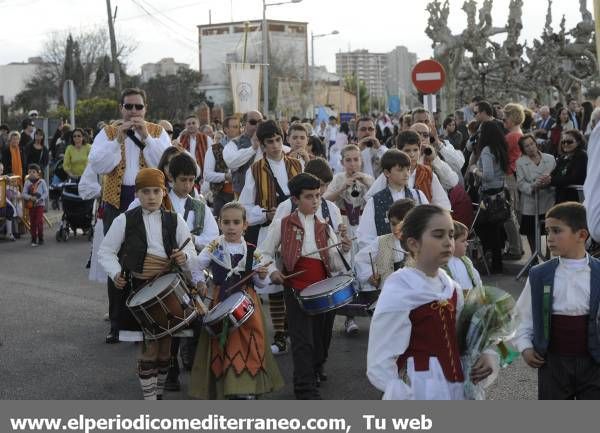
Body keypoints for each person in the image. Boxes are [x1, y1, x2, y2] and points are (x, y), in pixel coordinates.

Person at [367, 205, 496, 400]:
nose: (448, 242)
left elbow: (467, 332)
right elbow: (381, 358)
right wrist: (401, 392)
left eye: (451, 235)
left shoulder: (450, 286)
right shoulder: (401, 288)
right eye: (438, 235)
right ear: (414, 244)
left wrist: (484, 353)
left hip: (456, 384)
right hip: (420, 388)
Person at [98, 168, 198, 400]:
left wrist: (185, 258)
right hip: (139, 290)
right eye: (145, 192)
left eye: (156, 191)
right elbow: (106, 252)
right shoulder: (125, 220)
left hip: (169, 291)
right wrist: (115, 273)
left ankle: (158, 393)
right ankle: (150, 400)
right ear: (137, 194)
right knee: (148, 350)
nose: (151, 196)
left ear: (164, 192)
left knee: (165, 351)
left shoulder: (175, 220)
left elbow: (190, 250)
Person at [88, 87, 171, 344]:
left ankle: (148, 320)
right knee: (117, 261)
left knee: (149, 258)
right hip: (117, 200)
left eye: (138, 107)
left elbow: (166, 164)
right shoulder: (109, 132)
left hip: (150, 201)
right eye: (129, 106)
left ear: (145, 109)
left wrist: (146, 137)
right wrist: (118, 142)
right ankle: (117, 323)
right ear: (121, 108)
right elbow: (98, 164)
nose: (133, 111)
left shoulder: (157, 132)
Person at [259, 173, 352, 399]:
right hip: (296, 288)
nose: (316, 201)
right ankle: (304, 387)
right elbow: (263, 252)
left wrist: (345, 248)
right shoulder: (283, 224)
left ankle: (316, 367)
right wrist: (273, 272)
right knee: (303, 340)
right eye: (309, 197)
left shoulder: (325, 227)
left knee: (322, 338)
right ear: (296, 199)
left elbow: (337, 264)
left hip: (324, 288)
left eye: (318, 196)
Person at [188, 202, 284, 399]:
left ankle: (245, 387)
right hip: (221, 300)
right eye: (226, 222)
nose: (231, 227)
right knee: (222, 343)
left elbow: (260, 283)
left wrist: (263, 275)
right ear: (219, 223)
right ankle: (228, 387)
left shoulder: (252, 251)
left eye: (236, 222)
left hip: (248, 303)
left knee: (249, 343)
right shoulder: (214, 246)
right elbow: (197, 265)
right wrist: (200, 283)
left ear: (245, 225)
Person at [512, 202, 600, 399]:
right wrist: (525, 346)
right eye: (548, 231)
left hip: (594, 363)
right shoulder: (539, 273)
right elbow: (522, 316)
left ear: (582, 235)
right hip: (553, 364)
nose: (549, 238)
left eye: (557, 231)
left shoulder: (598, 272)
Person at [239, 120, 302, 354]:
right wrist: (266, 213)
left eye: (277, 140)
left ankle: (296, 330)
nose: (275, 146)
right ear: (262, 144)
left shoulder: (297, 164)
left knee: (296, 279)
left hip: (297, 230)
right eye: (269, 142)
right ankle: (280, 333)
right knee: (275, 285)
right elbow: (244, 207)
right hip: (269, 231)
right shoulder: (255, 170)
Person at [357, 149, 427, 250]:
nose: (406, 174)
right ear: (387, 172)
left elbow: (427, 225)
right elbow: (365, 237)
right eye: (400, 170)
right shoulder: (375, 201)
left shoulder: (418, 195)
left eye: (408, 169)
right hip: (386, 259)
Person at [369, 130, 450, 209]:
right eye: (407, 150)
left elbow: (443, 203)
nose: (412, 154)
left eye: (415, 150)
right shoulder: (391, 173)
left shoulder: (427, 173)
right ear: (399, 151)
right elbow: (372, 198)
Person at [471, 121, 510, 274]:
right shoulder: (500, 148)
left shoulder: (487, 150)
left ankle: (493, 262)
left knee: (483, 227)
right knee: (496, 228)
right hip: (500, 192)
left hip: (488, 194)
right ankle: (496, 262)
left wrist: (474, 170)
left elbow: (487, 175)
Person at [355, 199, 415, 291]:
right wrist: (370, 276)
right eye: (393, 224)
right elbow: (360, 260)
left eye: (401, 225)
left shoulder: (421, 243)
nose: (395, 229)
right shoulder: (381, 241)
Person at [515, 134, 556, 257]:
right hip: (530, 201)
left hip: (548, 199)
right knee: (531, 230)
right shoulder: (520, 162)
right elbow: (520, 183)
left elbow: (556, 177)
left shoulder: (550, 158)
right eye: (526, 146)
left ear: (536, 144)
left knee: (550, 228)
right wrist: (533, 186)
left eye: (532, 144)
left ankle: (549, 255)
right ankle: (534, 256)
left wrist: (549, 181)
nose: (530, 148)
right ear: (523, 149)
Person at [324, 144, 374, 243]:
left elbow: (378, 199)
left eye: (356, 159)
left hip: (364, 221)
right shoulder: (337, 178)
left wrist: (366, 183)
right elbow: (325, 200)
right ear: (342, 162)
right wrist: (341, 189)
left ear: (361, 161)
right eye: (348, 160)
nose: (352, 164)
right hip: (343, 221)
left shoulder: (369, 178)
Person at [502, 103, 525, 260]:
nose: (504, 120)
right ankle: (518, 247)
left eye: (506, 117)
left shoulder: (512, 136)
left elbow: (501, 154)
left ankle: (516, 248)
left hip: (510, 175)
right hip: (515, 174)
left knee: (510, 213)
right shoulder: (518, 133)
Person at [223, 110, 264, 197]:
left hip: (265, 191)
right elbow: (232, 163)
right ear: (244, 123)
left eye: (260, 122)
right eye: (253, 122)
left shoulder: (269, 141)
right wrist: (253, 148)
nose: (257, 125)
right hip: (243, 194)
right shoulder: (234, 143)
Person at [204, 116, 237, 217]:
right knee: (221, 227)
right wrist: (226, 176)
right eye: (235, 127)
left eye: (239, 126)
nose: (239, 129)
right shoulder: (214, 149)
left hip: (243, 195)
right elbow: (207, 175)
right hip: (222, 196)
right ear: (226, 129)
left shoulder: (246, 146)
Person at [544, 129, 587, 205]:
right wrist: (547, 178)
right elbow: (554, 173)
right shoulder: (562, 157)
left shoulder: (581, 156)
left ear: (578, 142)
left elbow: (574, 178)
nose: (566, 144)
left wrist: (551, 180)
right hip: (561, 197)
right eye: (563, 142)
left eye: (569, 142)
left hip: (574, 199)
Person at [444, 220, 482, 293]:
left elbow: (476, 280)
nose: (467, 244)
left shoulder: (466, 261)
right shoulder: (443, 265)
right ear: (451, 242)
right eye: (463, 241)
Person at [21, 163, 48, 246]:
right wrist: (30, 197)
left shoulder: (42, 182)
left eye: (34, 172)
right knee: (32, 222)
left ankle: (40, 237)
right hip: (31, 205)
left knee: (39, 221)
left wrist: (40, 199)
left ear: (38, 173)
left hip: (40, 205)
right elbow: (23, 194)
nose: (31, 173)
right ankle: (33, 238)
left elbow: (45, 193)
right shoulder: (27, 182)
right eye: (30, 172)